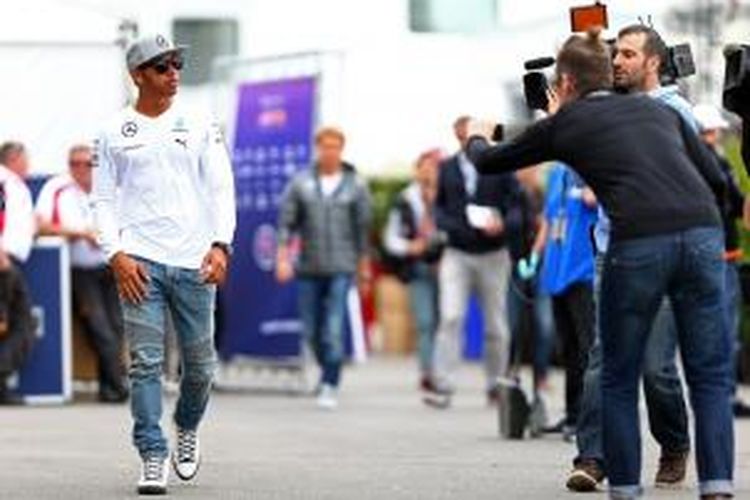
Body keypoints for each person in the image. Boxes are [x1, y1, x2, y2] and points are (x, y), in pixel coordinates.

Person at [468, 29, 733, 500]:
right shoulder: (652, 111)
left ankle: (629, 485)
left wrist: (476, 136)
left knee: (622, 369)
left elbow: (491, 162)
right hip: (696, 234)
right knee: (701, 373)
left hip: (637, 243)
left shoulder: (575, 121)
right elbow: (718, 181)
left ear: (566, 82)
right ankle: (709, 485)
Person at [91, 35, 236, 495]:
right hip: (141, 264)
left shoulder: (198, 122)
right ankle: (153, 453)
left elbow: (220, 188)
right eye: (161, 66)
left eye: (176, 64)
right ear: (137, 75)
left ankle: (186, 427)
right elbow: (103, 199)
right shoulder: (112, 130)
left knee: (201, 367)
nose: (173, 73)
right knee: (146, 364)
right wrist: (115, 254)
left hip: (195, 262)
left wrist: (221, 244)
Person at [568, 25, 696, 491]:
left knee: (655, 367)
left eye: (626, 54)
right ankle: (592, 458)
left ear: (653, 62)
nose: (616, 62)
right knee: (604, 358)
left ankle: (674, 441)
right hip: (611, 251)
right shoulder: (605, 108)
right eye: (613, 54)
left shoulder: (676, 112)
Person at [425, 116, 520, 407]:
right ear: (457, 136)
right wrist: (455, 226)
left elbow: (516, 204)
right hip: (457, 252)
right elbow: (438, 209)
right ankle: (443, 384)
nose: (468, 139)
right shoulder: (446, 168)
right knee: (451, 317)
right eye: (464, 135)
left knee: (496, 324)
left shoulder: (500, 163)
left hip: (493, 253)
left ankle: (495, 385)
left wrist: (502, 222)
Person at [276, 126, 372, 411]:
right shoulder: (301, 182)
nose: (330, 151)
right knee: (312, 331)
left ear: (342, 150)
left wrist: (363, 268)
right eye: (325, 146)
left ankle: (330, 382)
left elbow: (362, 230)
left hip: (342, 267)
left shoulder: (356, 185)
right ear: (318, 148)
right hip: (308, 267)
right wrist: (282, 257)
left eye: (335, 146)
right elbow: (287, 223)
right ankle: (326, 369)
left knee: (333, 329)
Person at [36, 144, 128, 403]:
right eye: (74, 163)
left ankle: (109, 386)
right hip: (79, 270)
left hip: (111, 266)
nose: (80, 169)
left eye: (87, 163)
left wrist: (107, 238)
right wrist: (79, 234)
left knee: (117, 325)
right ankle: (116, 386)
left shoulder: (111, 188)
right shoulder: (56, 188)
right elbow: (40, 225)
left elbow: (130, 224)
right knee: (99, 326)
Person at [693, 103, 750, 418]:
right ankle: (719, 397)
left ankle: (724, 394)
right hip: (713, 257)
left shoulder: (721, 162)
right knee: (720, 332)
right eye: (709, 131)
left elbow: (738, 204)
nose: (714, 136)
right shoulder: (701, 165)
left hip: (728, 255)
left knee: (727, 332)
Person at [536, 162, 597, 442]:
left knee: (586, 348)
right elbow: (549, 220)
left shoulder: (595, 164)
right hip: (557, 269)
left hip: (583, 272)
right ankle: (572, 414)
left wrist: (595, 195)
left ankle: (587, 419)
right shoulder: (557, 172)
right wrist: (534, 256)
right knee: (568, 349)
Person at [383, 149, 444, 390]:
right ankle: (427, 372)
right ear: (417, 170)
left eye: (433, 168)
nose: (428, 173)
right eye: (424, 168)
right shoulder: (405, 199)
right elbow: (390, 239)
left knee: (445, 321)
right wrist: (410, 247)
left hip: (445, 266)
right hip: (419, 267)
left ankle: (442, 369)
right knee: (425, 321)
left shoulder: (448, 196)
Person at [505, 166, 555, 396]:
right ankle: (511, 371)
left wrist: (537, 253)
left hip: (542, 265)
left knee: (543, 325)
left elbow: (550, 225)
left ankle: (541, 375)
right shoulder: (510, 195)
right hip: (516, 265)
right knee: (514, 324)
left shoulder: (545, 195)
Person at [0, 142, 36, 405]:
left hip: (7, 261)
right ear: (14, 159)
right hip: (3, 262)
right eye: (25, 160)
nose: (28, 167)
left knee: (12, 323)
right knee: (22, 322)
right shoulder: (5, 180)